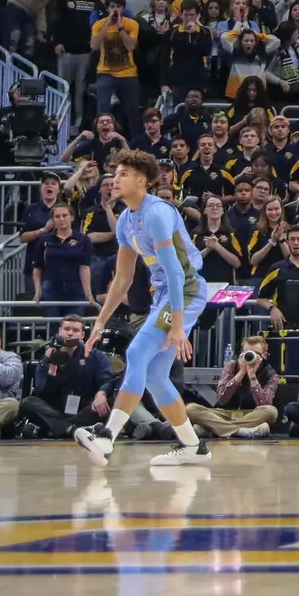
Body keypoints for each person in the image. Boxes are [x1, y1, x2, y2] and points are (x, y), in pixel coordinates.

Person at [74, 149, 213, 466]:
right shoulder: (125, 220)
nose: (115, 179)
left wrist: (178, 326)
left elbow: (177, 272)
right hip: (166, 292)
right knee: (154, 375)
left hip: (187, 288)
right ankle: (194, 447)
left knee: (136, 354)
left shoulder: (157, 213)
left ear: (141, 181)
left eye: (123, 174)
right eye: (115, 173)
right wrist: (100, 322)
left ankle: (107, 438)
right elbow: (122, 278)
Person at [19, 314, 116, 438]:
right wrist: (52, 370)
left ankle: (54, 430)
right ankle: (74, 430)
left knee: (108, 401)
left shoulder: (95, 356)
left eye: (75, 330)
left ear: (82, 335)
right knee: (28, 403)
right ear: (60, 331)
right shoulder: (48, 358)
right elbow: (42, 394)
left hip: (83, 408)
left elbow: (107, 379)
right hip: (55, 409)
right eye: (66, 329)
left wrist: (101, 393)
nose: (70, 333)